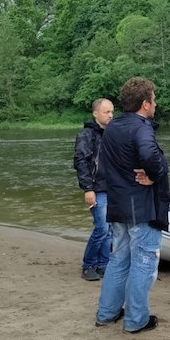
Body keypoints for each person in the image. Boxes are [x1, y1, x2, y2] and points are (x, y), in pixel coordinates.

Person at [94, 77, 170, 334]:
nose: (155, 104)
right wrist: (156, 175)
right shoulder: (141, 127)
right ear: (145, 103)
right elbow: (149, 155)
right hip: (141, 205)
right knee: (144, 261)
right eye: (154, 99)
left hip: (118, 204)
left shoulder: (112, 126)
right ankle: (136, 319)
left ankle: (107, 313)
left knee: (118, 259)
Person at [74, 98, 115, 281]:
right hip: (96, 188)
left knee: (110, 230)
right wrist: (87, 188)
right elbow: (80, 162)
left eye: (112, 112)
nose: (111, 115)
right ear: (95, 113)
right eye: (107, 112)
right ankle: (88, 265)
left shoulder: (112, 134)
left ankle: (103, 265)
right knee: (101, 228)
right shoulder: (86, 135)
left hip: (113, 188)